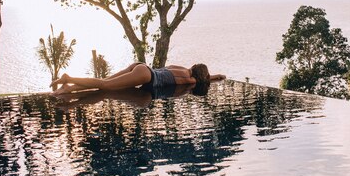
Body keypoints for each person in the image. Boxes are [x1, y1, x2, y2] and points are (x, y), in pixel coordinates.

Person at [51, 62, 226, 96]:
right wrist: (214, 78)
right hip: (146, 75)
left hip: (142, 67)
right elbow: (203, 80)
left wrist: (216, 75)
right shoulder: (191, 81)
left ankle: (70, 88)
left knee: (106, 85)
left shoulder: (183, 68)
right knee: (105, 85)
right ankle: (69, 78)